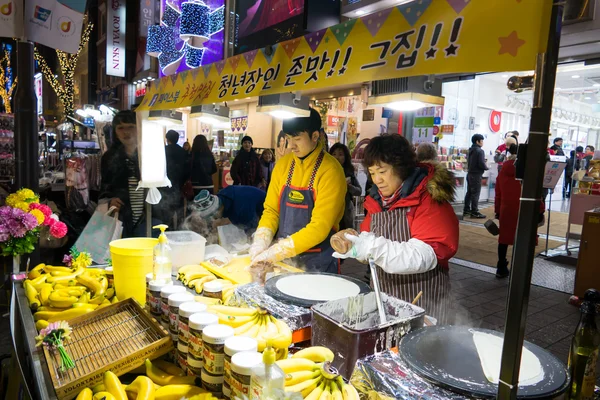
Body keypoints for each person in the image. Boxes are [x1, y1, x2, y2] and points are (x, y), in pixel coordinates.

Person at [333, 134, 458, 324]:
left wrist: (370, 247)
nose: (377, 180)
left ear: (400, 167)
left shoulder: (429, 199)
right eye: (372, 173)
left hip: (425, 305)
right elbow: (367, 246)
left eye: (382, 171)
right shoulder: (377, 200)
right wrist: (353, 244)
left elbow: (423, 256)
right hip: (385, 303)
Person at [249, 108, 347, 273]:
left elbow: (319, 227)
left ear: (315, 136)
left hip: (318, 262)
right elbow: (272, 211)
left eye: (297, 139)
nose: (291, 145)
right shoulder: (282, 166)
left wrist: (276, 251)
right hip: (286, 260)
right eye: (288, 139)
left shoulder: (331, 171)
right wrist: (261, 241)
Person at [100, 110, 159, 237]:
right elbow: (104, 187)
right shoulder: (109, 157)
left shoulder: (150, 154)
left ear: (139, 128)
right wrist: (110, 201)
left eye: (131, 127)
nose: (126, 132)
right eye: (120, 128)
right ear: (115, 131)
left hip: (148, 216)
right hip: (121, 217)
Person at [495, 144, 545, 278]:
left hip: (506, 209)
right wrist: (540, 209)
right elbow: (535, 193)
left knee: (504, 239)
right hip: (525, 209)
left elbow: (498, 193)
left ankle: (501, 267)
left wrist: (497, 210)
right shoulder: (529, 171)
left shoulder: (503, 170)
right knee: (524, 238)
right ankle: (519, 269)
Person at [190, 186, 266, 231]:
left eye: (213, 216)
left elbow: (252, 230)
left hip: (269, 210)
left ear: (217, 209)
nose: (213, 219)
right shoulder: (223, 197)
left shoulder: (240, 208)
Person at [330, 143, 362, 231]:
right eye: (334, 154)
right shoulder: (326, 171)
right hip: (330, 209)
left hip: (346, 212)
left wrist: (348, 186)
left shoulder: (349, 172)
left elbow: (359, 191)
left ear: (345, 157)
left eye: (340, 154)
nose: (337, 157)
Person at [161, 130, 187, 224]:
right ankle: (180, 229)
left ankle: (168, 229)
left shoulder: (163, 150)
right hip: (179, 184)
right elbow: (186, 169)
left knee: (166, 211)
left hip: (165, 185)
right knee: (179, 210)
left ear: (167, 139)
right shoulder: (183, 152)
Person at [464, 134, 488, 219]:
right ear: (477, 141)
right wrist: (486, 167)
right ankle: (474, 212)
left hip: (470, 174)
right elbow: (481, 163)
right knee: (475, 194)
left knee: (469, 193)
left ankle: (466, 210)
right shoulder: (480, 151)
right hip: (476, 175)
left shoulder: (470, 150)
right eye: (482, 140)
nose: (483, 142)